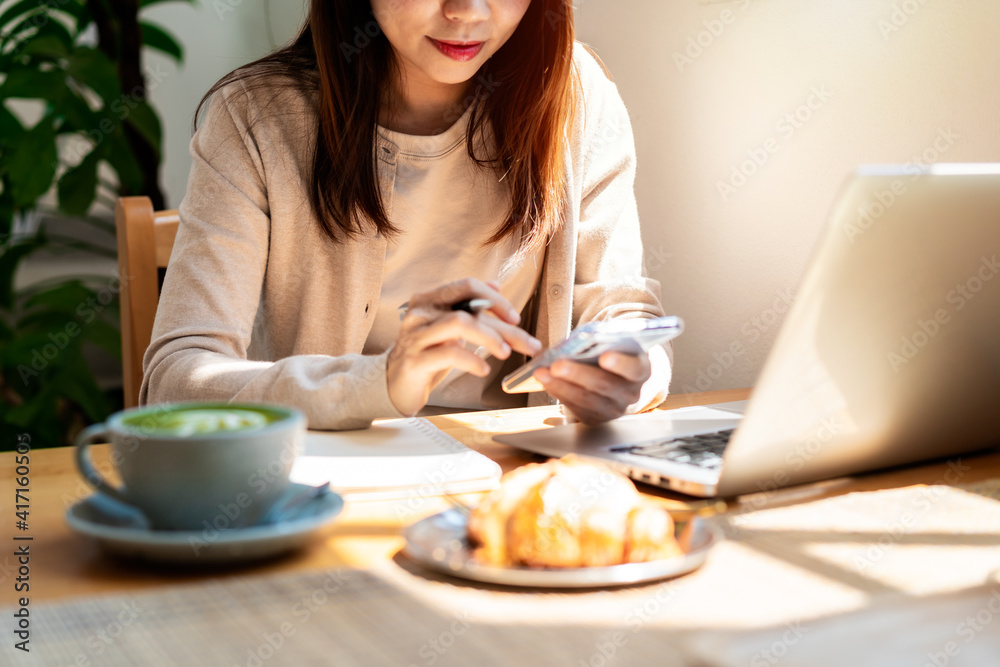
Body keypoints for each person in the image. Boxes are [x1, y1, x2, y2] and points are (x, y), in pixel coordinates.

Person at [141, 0, 672, 430]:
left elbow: (627, 318)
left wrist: (631, 377)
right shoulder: (256, 118)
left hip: (515, 477)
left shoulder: (577, 98)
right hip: (329, 488)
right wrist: (380, 380)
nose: (467, 11)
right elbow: (175, 383)